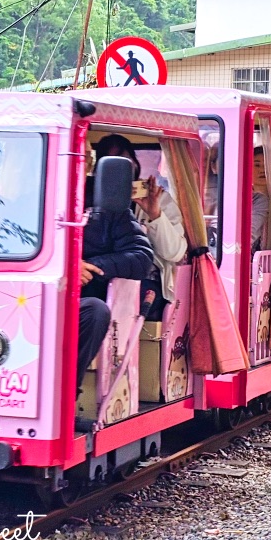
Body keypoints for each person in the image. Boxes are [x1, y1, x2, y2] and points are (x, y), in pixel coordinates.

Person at [78, 147, 154, 399]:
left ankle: (65, 400)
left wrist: (93, 265)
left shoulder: (106, 202)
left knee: (94, 311)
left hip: (74, 302)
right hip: (23, 299)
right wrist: (67, 266)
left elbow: (141, 258)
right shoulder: (7, 201)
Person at [94, 134, 186, 321]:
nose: (121, 171)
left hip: (146, 281)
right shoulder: (91, 200)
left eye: (126, 163)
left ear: (135, 164)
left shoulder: (160, 199)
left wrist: (155, 214)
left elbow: (174, 253)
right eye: (112, 166)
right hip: (102, 276)